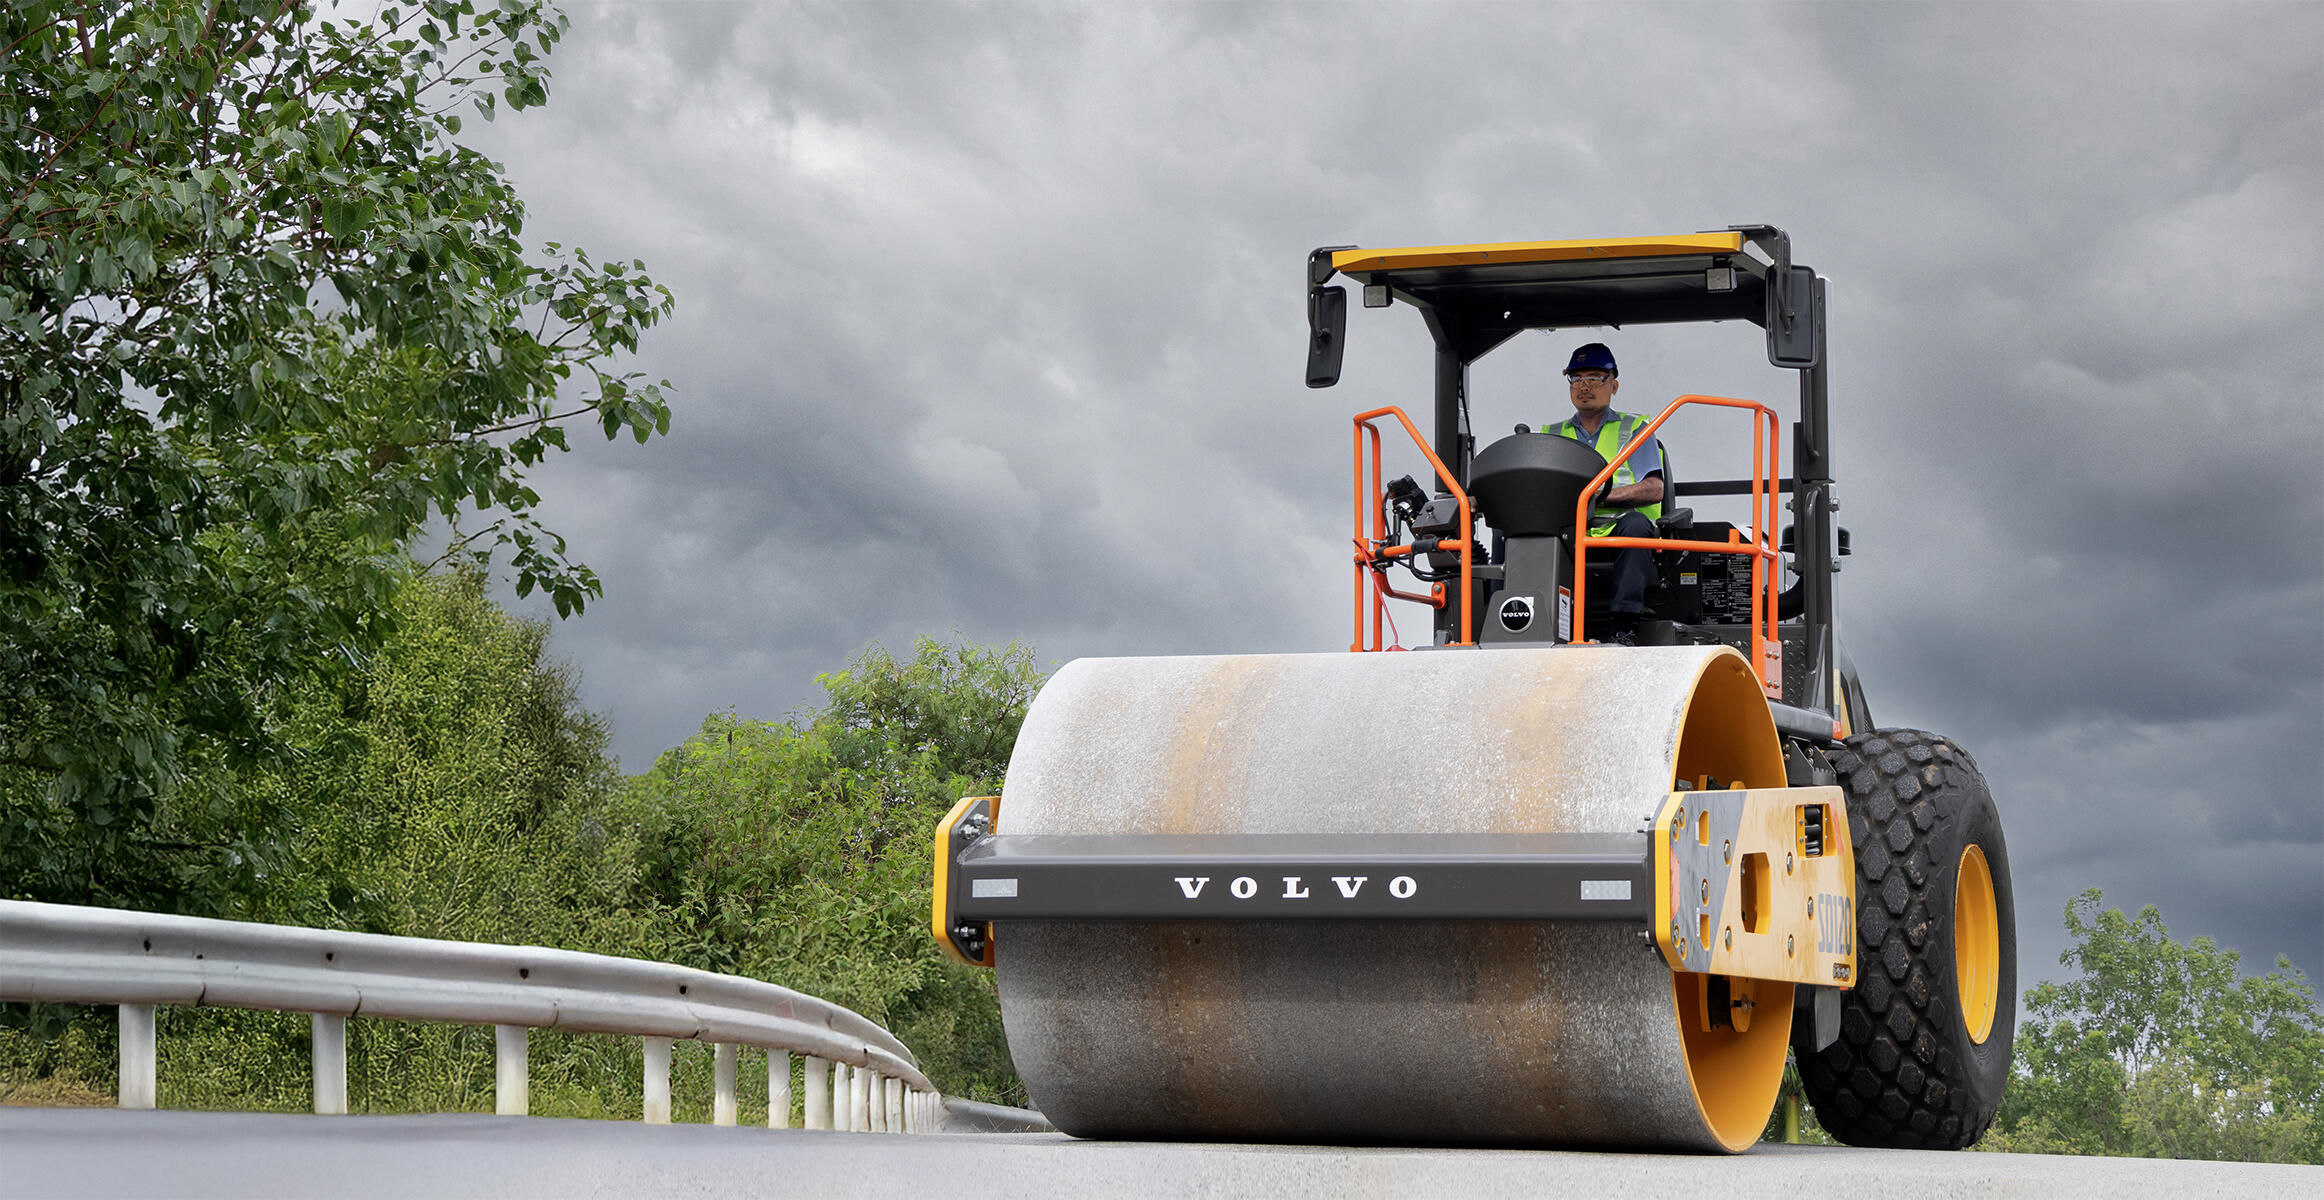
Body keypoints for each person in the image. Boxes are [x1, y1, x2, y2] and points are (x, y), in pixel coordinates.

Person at [1549, 343, 1663, 645]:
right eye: (1576, 378)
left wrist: (1597, 497)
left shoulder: (1636, 429)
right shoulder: (1551, 435)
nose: (1584, 386)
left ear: (1614, 385)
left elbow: (1654, 488)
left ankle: (1624, 627)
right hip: (1569, 532)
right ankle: (1508, 611)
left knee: (1636, 527)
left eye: (1595, 377)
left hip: (1619, 529)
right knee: (1514, 531)